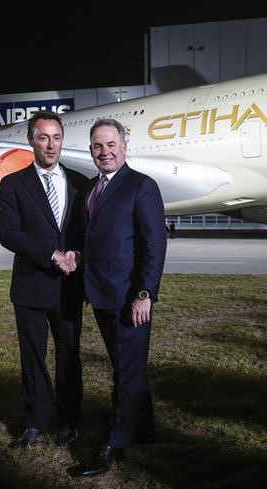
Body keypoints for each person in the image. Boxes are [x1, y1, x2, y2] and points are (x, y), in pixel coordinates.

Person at [71, 119, 166, 478]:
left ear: (124, 147)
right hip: (100, 294)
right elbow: (90, 238)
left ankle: (115, 441)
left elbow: (154, 245)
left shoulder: (142, 186)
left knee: (125, 372)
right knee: (126, 365)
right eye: (97, 146)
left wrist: (145, 294)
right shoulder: (91, 190)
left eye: (111, 145)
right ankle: (145, 428)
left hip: (130, 297)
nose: (104, 152)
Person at [0, 110, 89, 449]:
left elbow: (86, 232)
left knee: (69, 354)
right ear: (31, 141)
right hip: (31, 283)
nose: (51, 145)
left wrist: (77, 255)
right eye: (43, 137)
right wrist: (51, 254)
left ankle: (69, 419)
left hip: (68, 287)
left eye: (57, 137)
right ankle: (37, 418)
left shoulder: (80, 183)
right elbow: (8, 233)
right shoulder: (13, 184)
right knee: (33, 355)